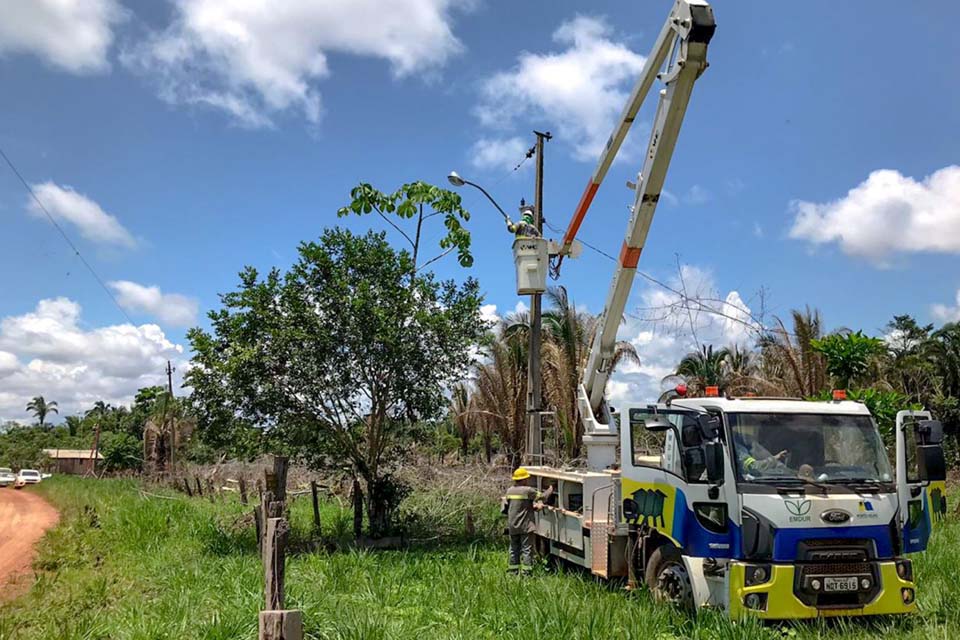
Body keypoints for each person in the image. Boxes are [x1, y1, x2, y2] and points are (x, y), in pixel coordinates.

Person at [502, 467, 553, 574]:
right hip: (525, 525)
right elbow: (543, 497)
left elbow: (513, 507)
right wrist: (551, 489)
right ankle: (527, 573)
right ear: (524, 479)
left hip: (513, 525)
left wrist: (533, 508)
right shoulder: (528, 490)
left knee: (513, 549)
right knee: (526, 549)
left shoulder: (510, 491)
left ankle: (513, 571)